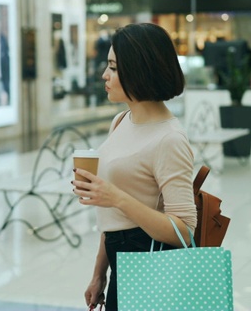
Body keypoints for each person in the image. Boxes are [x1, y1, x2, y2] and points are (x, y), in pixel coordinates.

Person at [73, 23, 197, 311]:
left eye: (114, 68)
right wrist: (98, 274)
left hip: (148, 265)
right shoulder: (121, 121)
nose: (105, 75)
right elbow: (113, 215)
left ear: (140, 70)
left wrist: (114, 196)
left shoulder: (169, 139)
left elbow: (185, 231)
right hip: (120, 264)